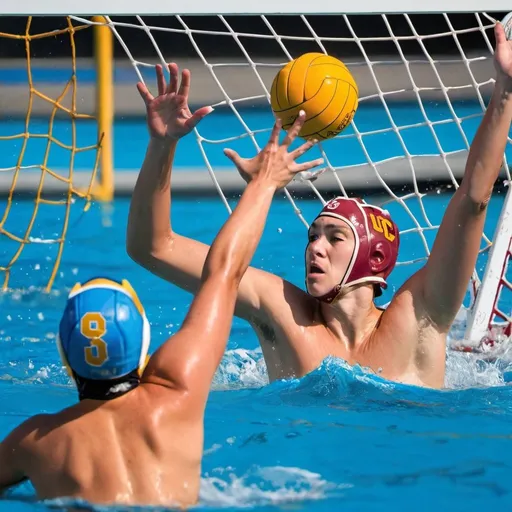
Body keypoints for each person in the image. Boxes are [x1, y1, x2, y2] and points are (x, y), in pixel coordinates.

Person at [127, 23, 512, 389]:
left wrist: (506, 90)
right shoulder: (282, 313)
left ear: (374, 257)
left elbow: (474, 200)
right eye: (313, 235)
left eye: (335, 237)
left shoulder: (420, 315)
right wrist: (162, 146)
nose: (315, 246)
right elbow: (154, 247)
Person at [0, 106, 322, 506]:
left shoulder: (33, 442)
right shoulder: (176, 395)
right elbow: (223, 272)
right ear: (143, 349)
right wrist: (263, 183)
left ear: (66, 356)